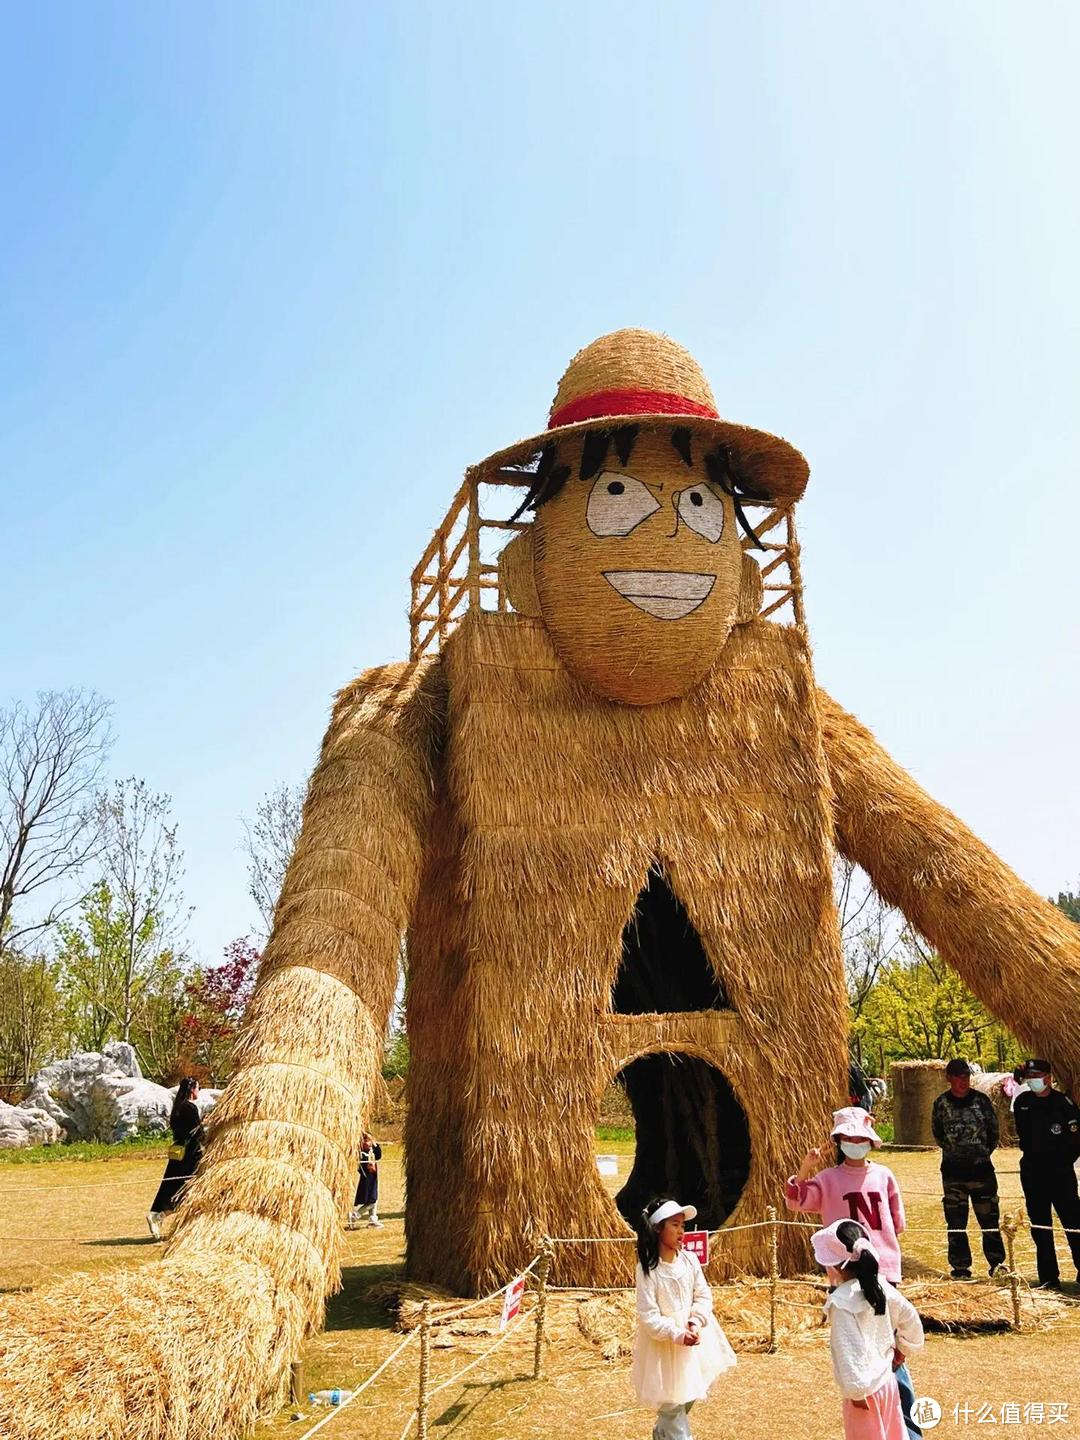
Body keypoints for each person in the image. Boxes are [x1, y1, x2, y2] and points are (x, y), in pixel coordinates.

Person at [787, 1106, 922, 1439]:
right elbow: (797, 1200)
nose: (854, 1143)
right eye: (848, 1138)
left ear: (870, 1140)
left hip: (881, 1270)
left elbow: (897, 1222)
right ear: (838, 1141)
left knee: (889, 1351)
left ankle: (905, 1426)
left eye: (860, 1137)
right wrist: (805, 1169)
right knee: (858, 1343)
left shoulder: (885, 1175)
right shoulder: (828, 1179)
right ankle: (878, 1413)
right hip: (845, 1275)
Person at [631, 1196, 736, 1440]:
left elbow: (703, 1294)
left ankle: (661, 1433)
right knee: (672, 1407)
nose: (681, 1231)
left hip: (695, 1339)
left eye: (683, 1226)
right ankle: (670, 1432)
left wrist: (695, 1321)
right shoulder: (648, 1270)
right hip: (664, 1347)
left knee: (687, 1395)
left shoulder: (689, 1260)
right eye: (675, 1225)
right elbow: (649, 1315)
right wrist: (676, 1334)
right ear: (658, 1228)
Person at [812, 1218, 925, 1440]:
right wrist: (903, 1349)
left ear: (836, 1265)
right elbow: (910, 1318)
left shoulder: (844, 1302)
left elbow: (847, 1348)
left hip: (864, 1393)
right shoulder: (881, 1287)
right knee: (895, 1434)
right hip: (887, 1384)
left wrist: (856, 1391)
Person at [930, 1058, 1006, 1279]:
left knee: (989, 1220)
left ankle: (997, 1264)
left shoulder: (982, 1101)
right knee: (955, 1223)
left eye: (966, 1076)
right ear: (949, 1078)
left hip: (981, 1171)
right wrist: (957, 1153)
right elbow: (938, 1134)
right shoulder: (941, 1103)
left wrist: (979, 1154)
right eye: (958, 1076)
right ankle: (960, 1267)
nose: (963, 1081)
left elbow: (994, 1133)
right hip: (953, 1174)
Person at [1012, 1059, 1080, 1289]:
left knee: (1073, 1224)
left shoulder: (1063, 1103)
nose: (1034, 1080)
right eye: (1030, 1076)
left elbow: (1075, 1138)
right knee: (1041, 1227)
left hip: (1060, 1172)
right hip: (1033, 1173)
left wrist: (1061, 1162)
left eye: (1038, 1076)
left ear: (1049, 1077)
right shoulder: (1023, 1102)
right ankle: (1049, 1278)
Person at [147, 1077, 205, 1240]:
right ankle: (160, 1216)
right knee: (187, 1189)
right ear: (192, 1089)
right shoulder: (190, 1108)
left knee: (170, 1185)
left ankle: (158, 1214)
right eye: (198, 1088)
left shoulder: (178, 1107)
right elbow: (197, 1133)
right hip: (190, 1156)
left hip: (178, 1153)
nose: (199, 1091)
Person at [349, 1131, 383, 1229]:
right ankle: (354, 1216)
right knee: (371, 1201)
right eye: (367, 1141)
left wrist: (375, 1145)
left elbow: (379, 1155)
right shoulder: (361, 1153)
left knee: (374, 1199)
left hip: (373, 1178)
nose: (370, 1143)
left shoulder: (370, 1151)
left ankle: (373, 1220)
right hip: (367, 1179)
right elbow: (364, 1165)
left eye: (370, 1141)